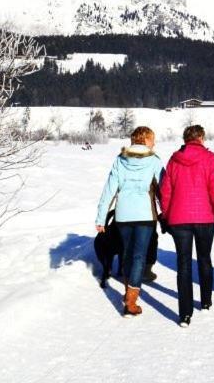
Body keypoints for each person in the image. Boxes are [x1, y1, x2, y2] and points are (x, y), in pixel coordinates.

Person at [160, 125, 214, 328]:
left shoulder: (174, 159)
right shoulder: (210, 158)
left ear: (185, 138)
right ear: (201, 137)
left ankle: (185, 314)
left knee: (183, 264)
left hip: (179, 218)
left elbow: (167, 190)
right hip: (204, 217)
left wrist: (165, 215)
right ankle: (206, 300)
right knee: (204, 258)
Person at [94, 126, 164, 317]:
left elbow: (108, 190)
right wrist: (167, 212)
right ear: (146, 140)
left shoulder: (120, 160)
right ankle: (130, 300)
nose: (155, 143)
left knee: (126, 253)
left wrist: (101, 218)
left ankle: (129, 298)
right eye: (153, 139)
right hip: (145, 215)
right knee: (139, 256)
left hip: (123, 215)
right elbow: (164, 189)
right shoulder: (154, 160)